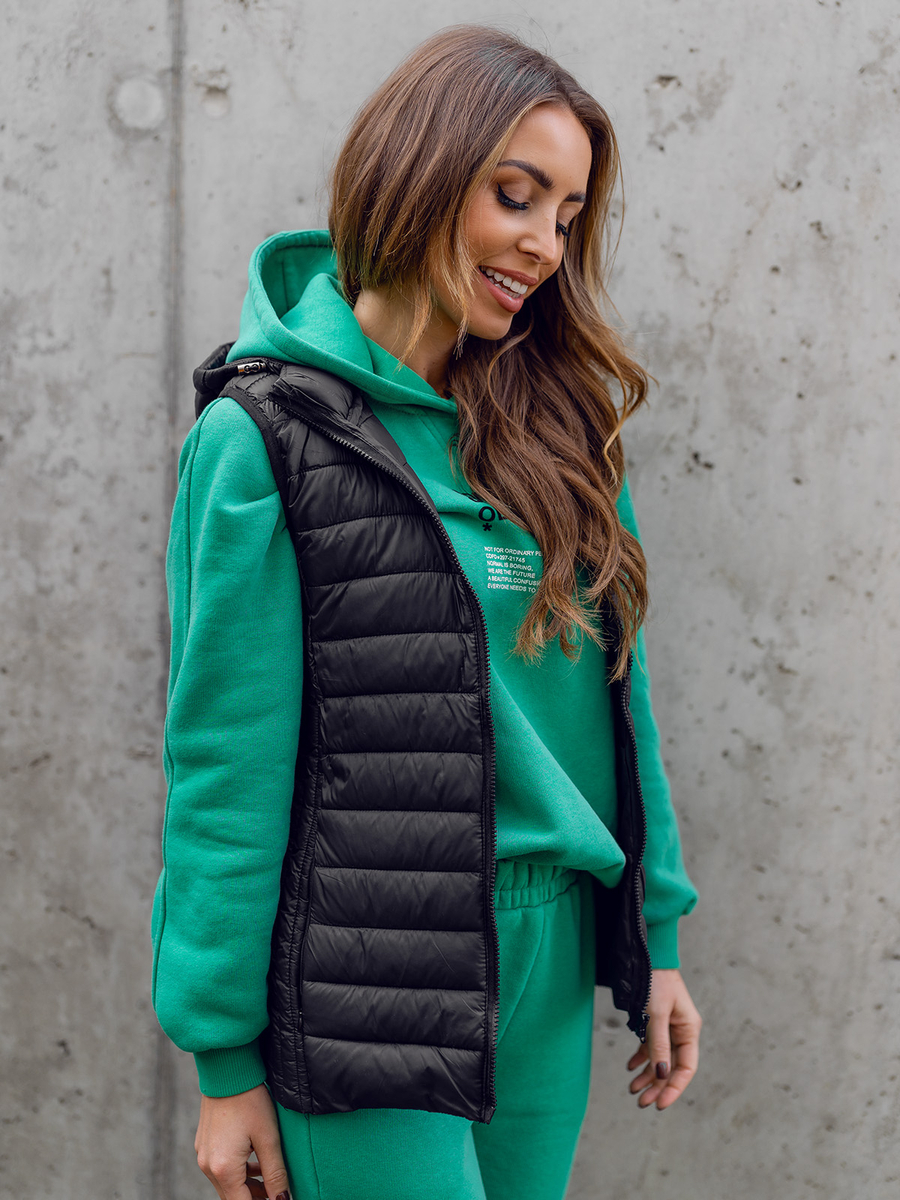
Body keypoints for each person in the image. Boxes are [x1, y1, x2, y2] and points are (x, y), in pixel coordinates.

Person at [151, 24, 701, 1200]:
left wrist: (653, 938)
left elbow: (622, 701)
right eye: (517, 196)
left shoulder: (562, 427)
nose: (546, 244)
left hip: (551, 950)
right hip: (369, 963)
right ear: (421, 171)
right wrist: (223, 1058)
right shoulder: (263, 437)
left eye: (568, 215)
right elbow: (224, 770)